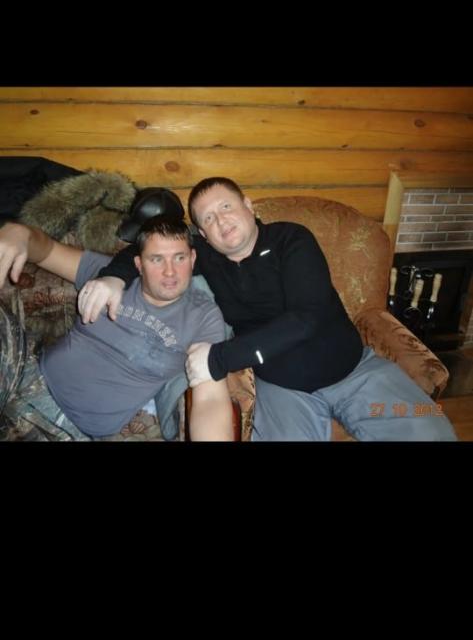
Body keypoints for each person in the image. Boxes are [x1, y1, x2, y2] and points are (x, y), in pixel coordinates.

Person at [77, 177, 457, 442]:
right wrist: (113, 278)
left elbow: (307, 318)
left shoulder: (292, 238)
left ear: (248, 206)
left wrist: (219, 358)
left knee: (434, 431)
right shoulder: (204, 255)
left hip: (354, 371)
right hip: (283, 389)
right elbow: (148, 249)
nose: (221, 221)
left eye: (226, 207)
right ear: (202, 235)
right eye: (208, 218)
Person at [0, 215, 234, 442]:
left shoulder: (204, 317)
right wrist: (21, 233)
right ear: (139, 264)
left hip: (67, 428)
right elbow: (47, 250)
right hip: (24, 373)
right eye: (156, 259)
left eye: (179, 258)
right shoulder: (108, 275)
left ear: (193, 258)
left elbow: (210, 399)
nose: (170, 271)